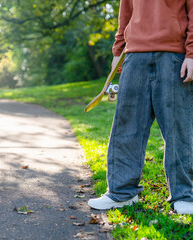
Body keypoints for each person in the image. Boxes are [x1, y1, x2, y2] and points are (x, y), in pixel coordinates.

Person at [88, 0, 193, 214]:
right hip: (134, 55)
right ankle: (121, 193)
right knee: (126, 128)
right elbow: (125, 11)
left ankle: (185, 196)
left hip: (174, 55)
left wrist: (191, 54)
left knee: (179, 129)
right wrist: (118, 49)